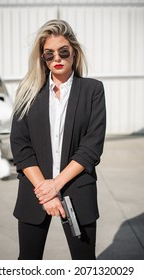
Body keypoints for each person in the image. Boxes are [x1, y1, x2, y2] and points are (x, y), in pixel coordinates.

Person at [10, 19, 106, 260]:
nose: (57, 59)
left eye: (64, 52)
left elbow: (91, 147)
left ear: (74, 52)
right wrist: (47, 191)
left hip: (77, 189)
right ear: (42, 58)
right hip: (35, 191)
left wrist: (56, 184)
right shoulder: (27, 90)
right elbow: (21, 146)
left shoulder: (93, 90)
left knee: (84, 265)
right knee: (27, 264)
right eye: (49, 54)